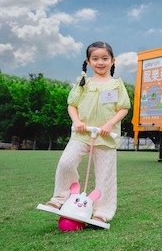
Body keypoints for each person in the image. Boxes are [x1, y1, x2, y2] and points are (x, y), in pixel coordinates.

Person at [45, 41, 130, 223]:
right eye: (95, 58)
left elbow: (123, 108)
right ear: (88, 62)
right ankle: (59, 199)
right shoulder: (83, 83)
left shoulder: (117, 85)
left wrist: (109, 124)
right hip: (82, 134)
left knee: (105, 176)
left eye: (105, 58)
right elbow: (72, 105)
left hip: (106, 136)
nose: (100, 62)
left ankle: (102, 212)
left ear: (113, 61)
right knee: (66, 163)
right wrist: (77, 121)